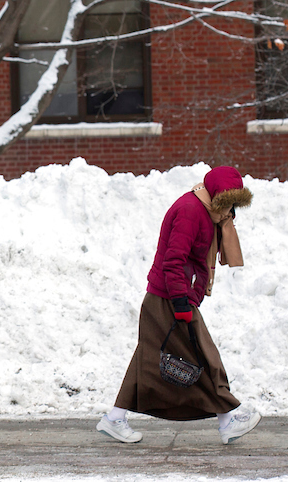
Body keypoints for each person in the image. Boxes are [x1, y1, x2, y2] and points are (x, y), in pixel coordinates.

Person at [96, 165, 261, 445]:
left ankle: (114, 418)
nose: (230, 210)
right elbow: (173, 261)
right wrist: (182, 303)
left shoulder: (207, 210)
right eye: (229, 203)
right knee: (204, 356)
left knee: (148, 360)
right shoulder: (190, 212)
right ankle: (228, 419)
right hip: (169, 299)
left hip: (170, 296)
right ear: (218, 197)